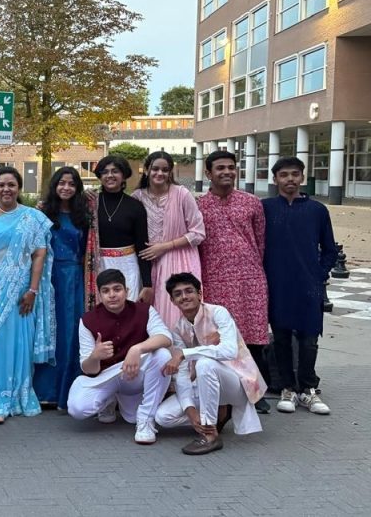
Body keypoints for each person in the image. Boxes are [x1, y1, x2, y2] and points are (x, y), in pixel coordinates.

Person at [0, 166, 54, 423]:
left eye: (11, 185)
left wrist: (32, 290)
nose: (6, 189)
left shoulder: (32, 217)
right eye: (1, 185)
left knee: (20, 344)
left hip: (22, 293)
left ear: (19, 188)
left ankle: (17, 397)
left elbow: (39, 254)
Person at [155, 273, 267, 455]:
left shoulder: (218, 313)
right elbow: (182, 374)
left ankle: (210, 435)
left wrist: (185, 353)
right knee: (163, 417)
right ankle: (214, 417)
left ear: (199, 294)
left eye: (189, 291)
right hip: (207, 383)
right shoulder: (178, 328)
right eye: (178, 294)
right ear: (173, 301)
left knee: (204, 364)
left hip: (238, 383)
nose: (184, 297)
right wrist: (190, 411)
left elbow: (229, 351)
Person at [197, 151, 271, 413]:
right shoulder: (198, 206)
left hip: (250, 279)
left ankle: (256, 392)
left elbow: (260, 241)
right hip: (214, 279)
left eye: (231, 167)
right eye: (220, 168)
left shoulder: (252, 202)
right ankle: (227, 391)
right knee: (222, 337)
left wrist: (252, 267)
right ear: (208, 173)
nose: (227, 172)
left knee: (253, 336)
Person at [263, 157, 338, 416]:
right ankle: (288, 388)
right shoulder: (265, 208)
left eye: (295, 174)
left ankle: (308, 388)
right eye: (284, 175)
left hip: (309, 285)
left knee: (309, 340)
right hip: (277, 284)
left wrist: (319, 274)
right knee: (281, 338)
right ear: (275, 179)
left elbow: (330, 249)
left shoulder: (317, 210)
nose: (290, 179)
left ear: (302, 177)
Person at [67, 269, 172, 445]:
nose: (112, 295)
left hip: (133, 374)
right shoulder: (87, 320)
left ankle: (145, 420)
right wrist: (95, 356)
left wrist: (137, 349)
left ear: (126, 291)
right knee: (78, 409)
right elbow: (88, 368)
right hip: (105, 376)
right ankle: (108, 399)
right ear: (99, 295)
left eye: (117, 289)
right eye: (106, 291)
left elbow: (165, 337)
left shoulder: (144, 310)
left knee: (163, 355)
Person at [33, 166, 90, 411]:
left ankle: (67, 390)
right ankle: (45, 390)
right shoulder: (43, 213)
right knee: (47, 330)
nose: (66, 188)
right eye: (62, 183)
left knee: (69, 332)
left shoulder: (83, 216)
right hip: (47, 277)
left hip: (73, 279)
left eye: (71, 184)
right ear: (54, 186)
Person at [131, 151, 205, 329]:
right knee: (149, 314)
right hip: (148, 263)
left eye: (165, 170)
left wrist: (165, 246)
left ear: (170, 172)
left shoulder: (181, 194)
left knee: (177, 312)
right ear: (146, 170)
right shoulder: (137, 197)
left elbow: (198, 233)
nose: (160, 173)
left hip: (179, 259)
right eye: (155, 169)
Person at [89, 156, 152, 305]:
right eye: (105, 172)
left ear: (123, 175)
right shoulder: (90, 204)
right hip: (99, 264)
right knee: (102, 309)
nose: (109, 175)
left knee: (128, 307)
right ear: (100, 176)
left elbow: (142, 247)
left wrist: (147, 283)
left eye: (115, 171)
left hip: (128, 265)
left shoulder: (135, 206)